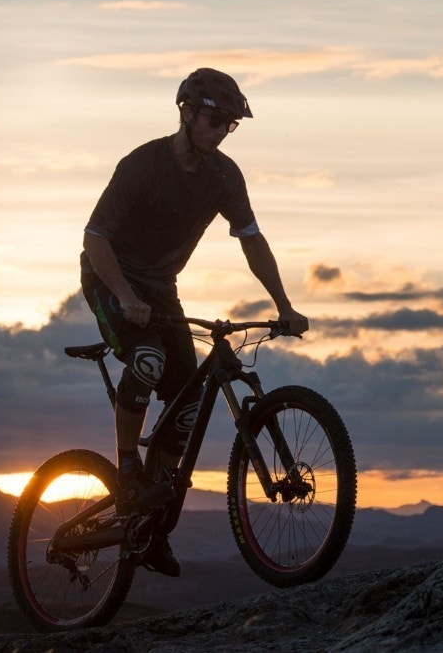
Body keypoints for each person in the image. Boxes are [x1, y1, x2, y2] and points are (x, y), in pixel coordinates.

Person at [79, 67, 309, 578]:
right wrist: (123, 295)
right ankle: (127, 470)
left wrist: (284, 305)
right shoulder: (142, 164)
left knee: (185, 403)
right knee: (147, 358)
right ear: (185, 112)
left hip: (161, 291)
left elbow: (251, 239)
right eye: (212, 120)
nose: (219, 130)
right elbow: (96, 239)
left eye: (228, 125)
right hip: (109, 278)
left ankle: (149, 522)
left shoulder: (225, 177)